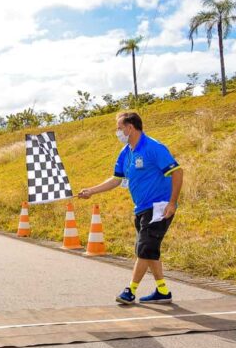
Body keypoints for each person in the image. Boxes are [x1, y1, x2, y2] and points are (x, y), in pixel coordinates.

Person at [78, 111, 183, 304]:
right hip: (141, 208)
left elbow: (177, 172)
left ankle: (130, 291)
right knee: (149, 251)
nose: (117, 132)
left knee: (144, 249)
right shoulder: (126, 152)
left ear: (130, 128)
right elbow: (116, 179)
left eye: (119, 128)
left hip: (158, 208)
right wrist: (91, 191)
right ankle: (162, 291)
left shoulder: (154, 147)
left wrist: (172, 202)